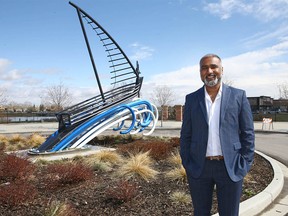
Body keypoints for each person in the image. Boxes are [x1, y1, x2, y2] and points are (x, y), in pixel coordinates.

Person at [180, 54, 255, 216]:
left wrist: (244, 163)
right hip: (199, 168)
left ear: (221, 70)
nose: (209, 71)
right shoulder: (192, 99)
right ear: (200, 72)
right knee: (200, 212)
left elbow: (248, 133)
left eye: (213, 66)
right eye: (204, 67)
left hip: (230, 167)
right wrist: (187, 162)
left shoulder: (239, 96)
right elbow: (186, 134)